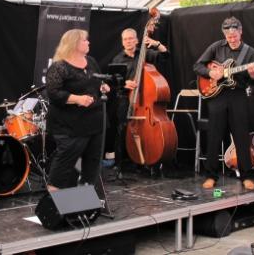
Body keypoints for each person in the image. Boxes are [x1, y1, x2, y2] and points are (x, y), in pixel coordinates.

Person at [193, 16, 254, 190]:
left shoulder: (250, 52)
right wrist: (210, 73)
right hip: (217, 97)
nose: (232, 39)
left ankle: (246, 176)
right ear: (224, 34)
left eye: (235, 36)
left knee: (242, 137)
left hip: (238, 95)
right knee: (214, 136)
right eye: (229, 37)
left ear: (241, 32)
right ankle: (211, 176)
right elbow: (197, 66)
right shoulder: (216, 47)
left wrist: (252, 75)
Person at [45, 29, 110, 191]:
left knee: (92, 163)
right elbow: (53, 93)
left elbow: (95, 83)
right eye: (84, 40)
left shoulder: (91, 61)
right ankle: (55, 206)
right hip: (69, 126)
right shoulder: (59, 66)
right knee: (65, 164)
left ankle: (83, 204)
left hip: (94, 122)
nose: (88, 43)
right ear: (74, 43)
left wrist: (102, 87)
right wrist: (77, 99)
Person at [110, 26, 168, 173]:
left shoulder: (145, 54)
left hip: (146, 100)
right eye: (125, 39)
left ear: (137, 40)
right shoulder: (117, 59)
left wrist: (157, 44)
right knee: (122, 129)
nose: (128, 41)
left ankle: (144, 159)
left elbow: (166, 56)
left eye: (131, 38)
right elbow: (112, 82)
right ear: (122, 42)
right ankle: (119, 163)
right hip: (125, 98)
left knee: (143, 129)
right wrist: (124, 83)